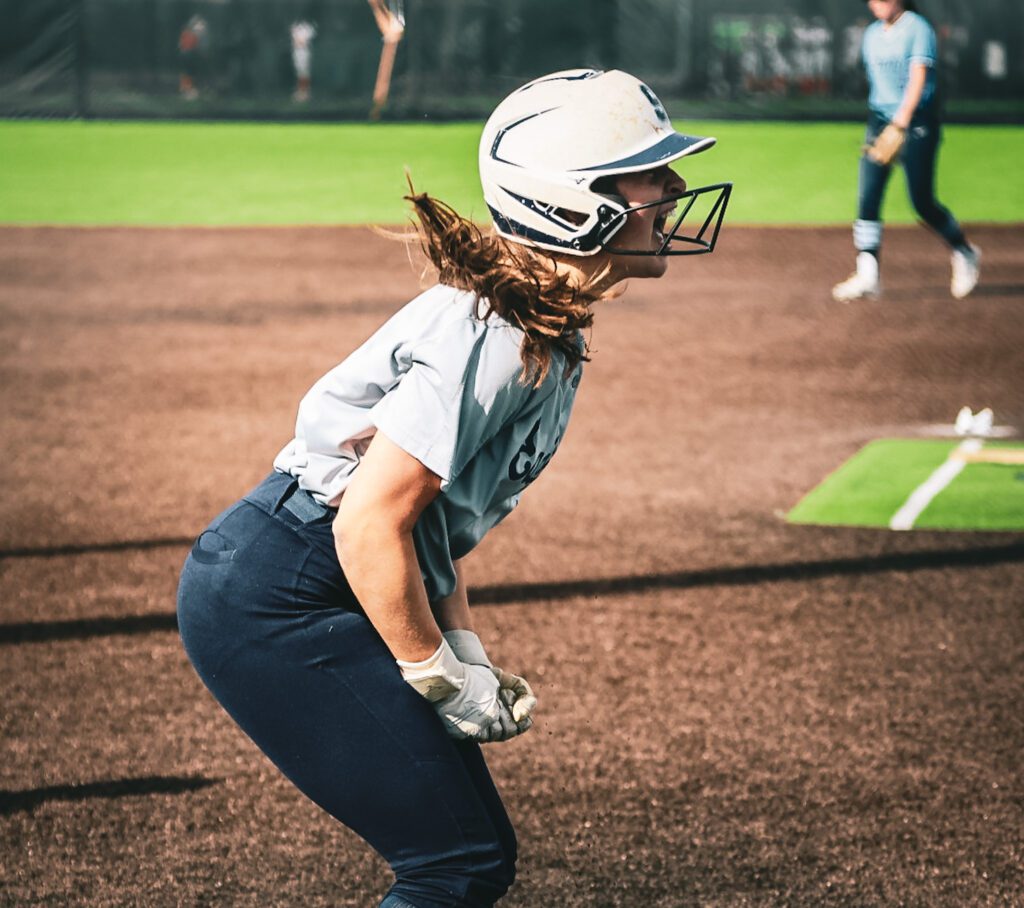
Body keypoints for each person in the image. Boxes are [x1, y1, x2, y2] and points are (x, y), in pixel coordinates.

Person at [176, 68, 731, 908]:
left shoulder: (539, 320)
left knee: (473, 855)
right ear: (574, 200)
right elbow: (369, 522)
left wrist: (461, 645)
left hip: (314, 570)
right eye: (648, 174)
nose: (675, 190)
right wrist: (434, 669)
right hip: (283, 587)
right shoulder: (501, 333)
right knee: (456, 862)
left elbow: (428, 524)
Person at [832, 0, 980, 302]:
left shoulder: (917, 28)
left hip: (916, 121)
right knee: (868, 196)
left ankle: (964, 251)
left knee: (922, 202)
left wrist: (900, 125)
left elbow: (918, 78)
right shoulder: (872, 34)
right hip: (880, 120)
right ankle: (868, 274)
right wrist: (883, 126)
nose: (878, 3)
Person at [290, 19, 317, 102]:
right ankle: (301, 92)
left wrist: (300, 41)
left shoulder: (309, 28)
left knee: (304, 73)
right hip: (297, 52)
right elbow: (295, 41)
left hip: (304, 52)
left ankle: (305, 93)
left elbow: (303, 42)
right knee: (300, 73)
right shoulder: (295, 26)